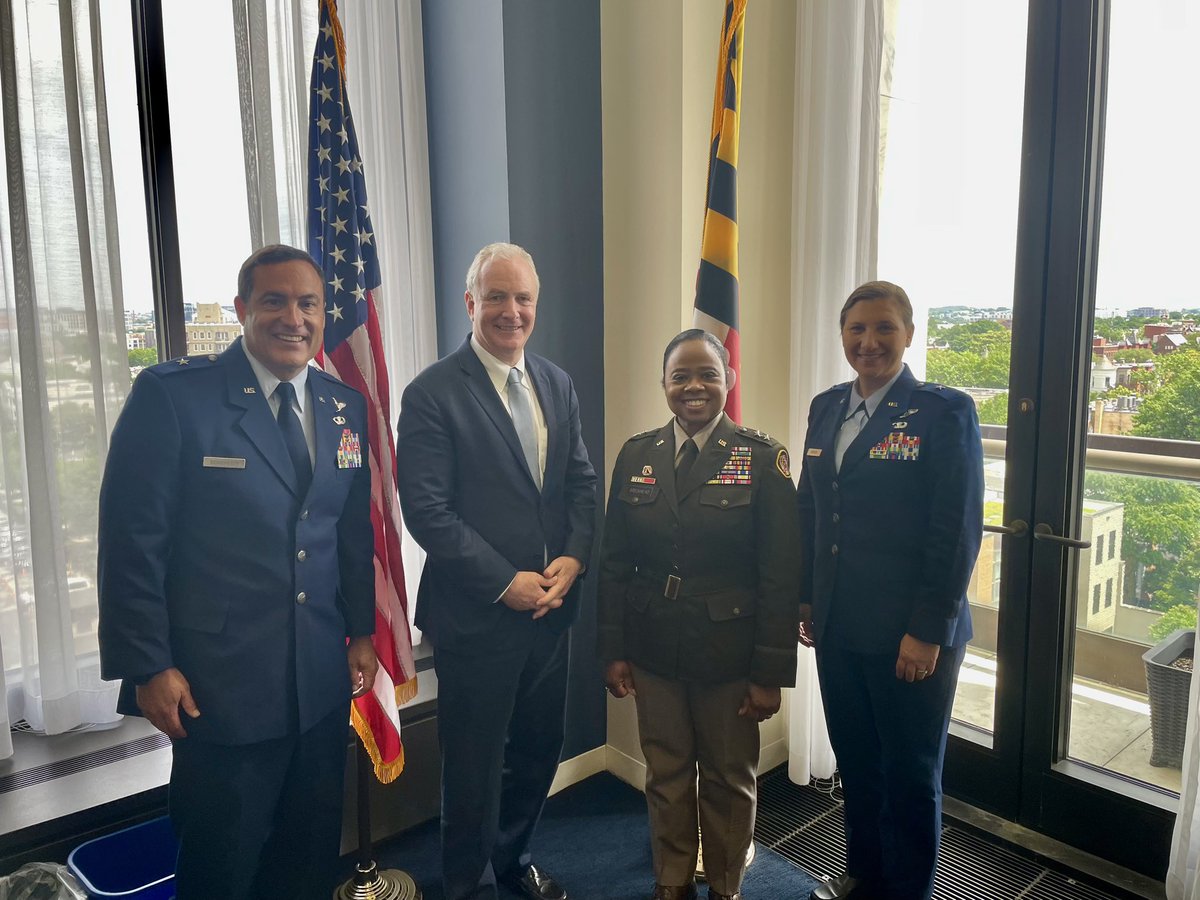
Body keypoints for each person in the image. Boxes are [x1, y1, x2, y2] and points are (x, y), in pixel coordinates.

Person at [97, 244, 379, 899]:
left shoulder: (344, 407)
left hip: (317, 682)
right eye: (274, 300)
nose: (294, 317)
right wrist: (147, 664)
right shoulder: (175, 398)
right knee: (221, 867)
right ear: (242, 309)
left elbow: (349, 530)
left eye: (307, 303)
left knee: (306, 861)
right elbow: (131, 544)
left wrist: (361, 630)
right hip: (219, 689)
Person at [395, 242, 597, 900]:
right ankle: (465, 884)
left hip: (550, 612)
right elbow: (427, 510)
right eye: (498, 297)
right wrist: (505, 582)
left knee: (539, 749)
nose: (512, 311)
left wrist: (572, 558)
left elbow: (579, 486)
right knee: (474, 766)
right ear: (470, 303)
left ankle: (512, 860)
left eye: (524, 298)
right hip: (477, 617)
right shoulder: (431, 393)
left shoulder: (555, 383)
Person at [796, 281, 983, 900]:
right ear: (842, 336)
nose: (868, 342)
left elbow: (954, 531)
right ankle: (864, 876)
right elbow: (811, 511)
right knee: (857, 760)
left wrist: (927, 630)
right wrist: (804, 598)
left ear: (908, 334)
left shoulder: (944, 411)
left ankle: (907, 892)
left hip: (912, 632)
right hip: (839, 625)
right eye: (856, 330)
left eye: (883, 329)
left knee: (909, 773)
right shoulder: (826, 407)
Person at [598, 329, 801, 900]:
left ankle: (727, 885)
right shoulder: (637, 454)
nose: (694, 386)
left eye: (708, 374)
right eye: (680, 375)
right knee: (664, 773)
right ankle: (673, 881)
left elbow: (781, 577)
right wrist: (612, 649)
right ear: (663, 385)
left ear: (728, 381)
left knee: (728, 779)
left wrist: (769, 674)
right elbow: (613, 561)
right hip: (654, 648)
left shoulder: (763, 458)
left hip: (730, 654)